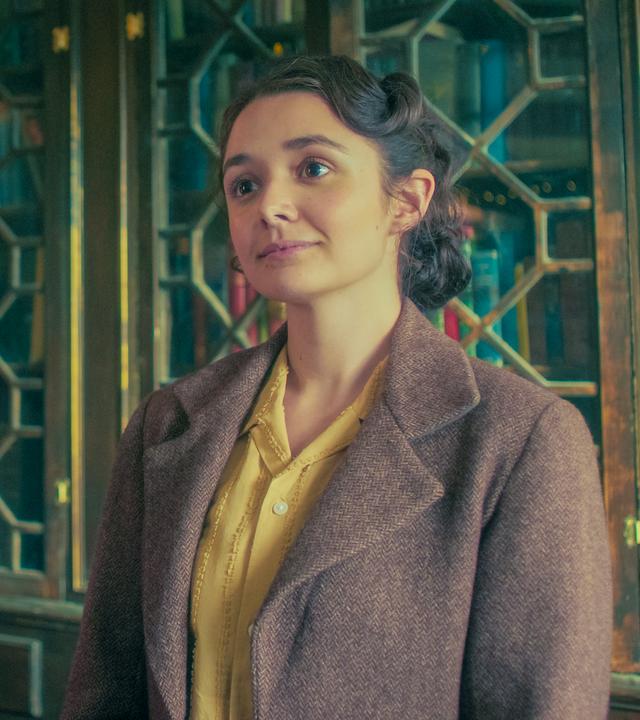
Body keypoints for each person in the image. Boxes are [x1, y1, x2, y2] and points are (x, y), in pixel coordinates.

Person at [60, 55, 612, 720]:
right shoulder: (168, 422)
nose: (270, 206)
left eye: (314, 168)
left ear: (406, 201)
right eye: (243, 185)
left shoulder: (520, 441)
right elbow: (105, 692)